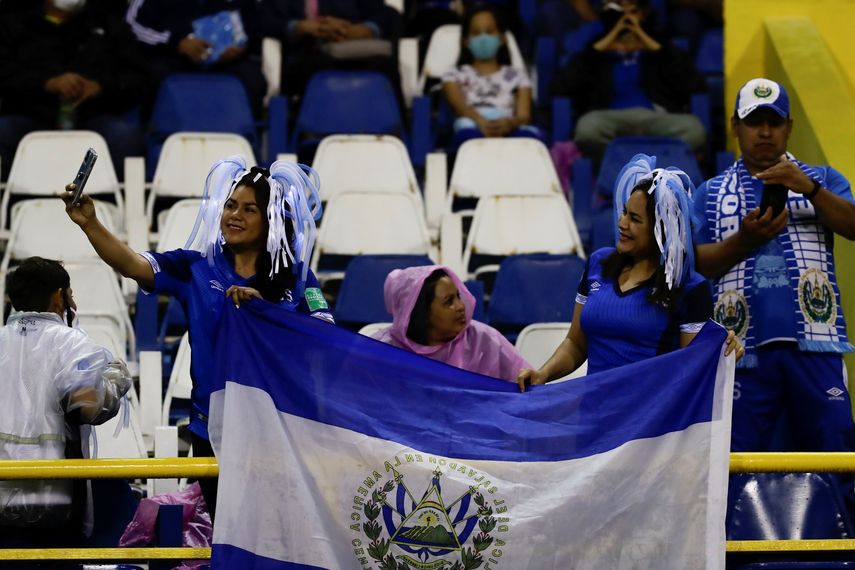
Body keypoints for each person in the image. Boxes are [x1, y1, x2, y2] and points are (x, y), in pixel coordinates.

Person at [62, 156, 334, 517]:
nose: (235, 215)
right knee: (227, 533)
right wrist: (90, 223)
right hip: (212, 430)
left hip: (278, 428)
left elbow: (325, 335)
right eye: (231, 205)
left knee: (275, 533)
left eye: (249, 209)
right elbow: (131, 263)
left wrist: (266, 311)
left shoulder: (298, 278)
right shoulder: (195, 267)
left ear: (271, 221)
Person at [692, 77, 855, 453]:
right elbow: (696, 266)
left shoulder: (823, 180)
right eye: (753, 122)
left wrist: (810, 188)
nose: (764, 132)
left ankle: (838, 516)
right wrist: (743, 242)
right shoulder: (710, 192)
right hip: (740, 351)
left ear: (789, 127)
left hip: (816, 346)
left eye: (774, 122)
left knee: (836, 446)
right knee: (736, 458)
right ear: (734, 125)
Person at [517, 154, 742, 390]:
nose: (622, 223)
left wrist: (723, 354)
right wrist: (543, 373)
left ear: (661, 230)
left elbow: (691, 374)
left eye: (634, 219)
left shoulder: (689, 287)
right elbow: (576, 344)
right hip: (592, 417)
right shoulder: (597, 263)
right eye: (624, 213)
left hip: (650, 423)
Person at [0, 257, 131, 564]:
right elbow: (89, 408)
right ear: (59, 296)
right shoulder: (71, 343)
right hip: (56, 498)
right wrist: (115, 378)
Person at [0, 0, 147, 180]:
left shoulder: (108, 25)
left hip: (92, 117)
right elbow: (5, 75)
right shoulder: (13, 25)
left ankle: (107, 203)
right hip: (30, 116)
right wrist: (47, 83)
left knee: (126, 137)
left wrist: (100, 87)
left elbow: (138, 80)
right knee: (3, 131)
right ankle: (11, 203)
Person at [551, 0, 706, 163]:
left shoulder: (662, 48)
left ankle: (654, 167)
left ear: (644, 14)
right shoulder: (595, 52)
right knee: (587, 128)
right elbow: (560, 88)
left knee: (694, 130)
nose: (626, 20)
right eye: (620, 14)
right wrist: (601, 48)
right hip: (610, 119)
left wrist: (654, 48)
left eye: (632, 12)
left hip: (656, 117)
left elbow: (695, 85)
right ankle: (625, 166)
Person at [373, 265, 530, 382]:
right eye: (449, 301)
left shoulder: (485, 340)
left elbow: (528, 383)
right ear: (421, 312)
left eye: (458, 296)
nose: (461, 306)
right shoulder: (382, 350)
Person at [125, 0, 267, 117]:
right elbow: (132, 26)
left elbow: (256, 27)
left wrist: (240, 48)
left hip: (228, 62)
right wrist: (177, 43)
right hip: (172, 57)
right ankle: (153, 135)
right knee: (150, 76)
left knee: (253, 79)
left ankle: (247, 139)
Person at [441, 5, 542, 150]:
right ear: (466, 41)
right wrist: (480, 121)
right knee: (466, 136)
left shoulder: (518, 76)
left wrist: (508, 125)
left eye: (489, 32)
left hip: (508, 127)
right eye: (476, 33)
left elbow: (523, 115)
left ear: (502, 38)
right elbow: (460, 107)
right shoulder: (453, 75)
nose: (483, 38)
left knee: (528, 139)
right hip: (472, 126)